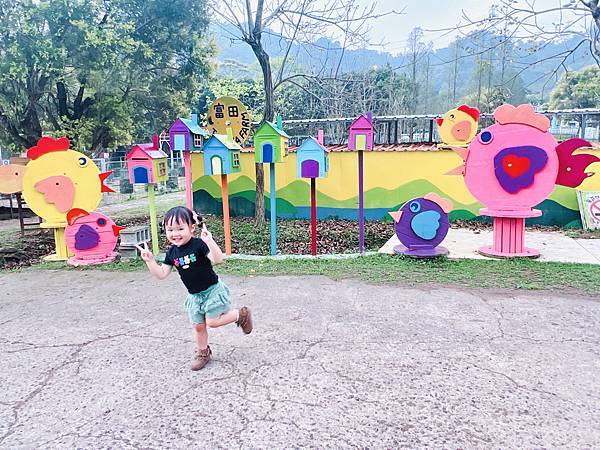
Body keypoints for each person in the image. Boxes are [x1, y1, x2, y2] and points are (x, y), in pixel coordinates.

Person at [136, 206, 252, 371]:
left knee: (211, 322)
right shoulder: (171, 253)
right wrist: (150, 261)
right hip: (194, 296)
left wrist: (209, 241)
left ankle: (240, 314)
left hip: (212, 291)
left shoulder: (198, 245)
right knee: (198, 326)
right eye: (170, 230)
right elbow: (161, 274)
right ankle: (203, 352)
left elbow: (217, 259)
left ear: (191, 228)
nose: (175, 233)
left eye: (180, 228)